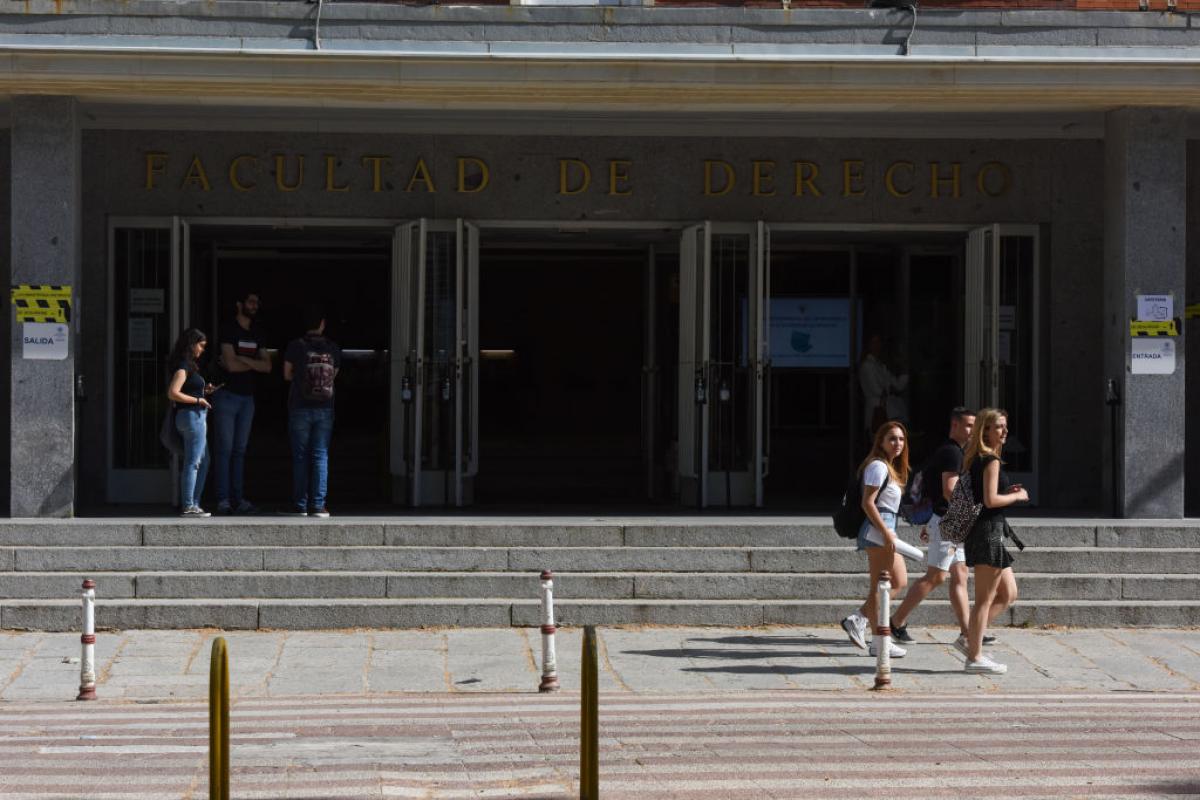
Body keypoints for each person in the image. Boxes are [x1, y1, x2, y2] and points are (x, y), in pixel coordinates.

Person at [889, 407, 992, 651]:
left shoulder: (953, 451)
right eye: (968, 425)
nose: (972, 430)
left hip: (949, 522)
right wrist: (976, 505)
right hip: (948, 523)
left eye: (974, 426)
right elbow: (949, 490)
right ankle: (895, 622)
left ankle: (968, 631)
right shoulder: (951, 453)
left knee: (960, 575)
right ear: (954, 425)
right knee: (936, 576)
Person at [961, 407, 1027, 675]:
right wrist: (1017, 496)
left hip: (989, 530)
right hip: (987, 532)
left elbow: (986, 495)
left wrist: (1005, 491)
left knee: (1008, 592)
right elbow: (989, 501)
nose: (1005, 431)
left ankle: (971, 641)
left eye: (1005, 426)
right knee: (984, 599)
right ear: (986, 430)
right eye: (999, 426)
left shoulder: (981, 458)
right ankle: (974, 656)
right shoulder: (989, 460)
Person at [840, 420, 911, 659]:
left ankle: (860, 621)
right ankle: (880, 639)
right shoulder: (878, 466)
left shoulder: (888, 467)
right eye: (892, 438)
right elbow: (867, 503)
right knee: (882, 586)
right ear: (880, 441)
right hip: (878, 529)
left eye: (901, 439)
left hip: (885, 528)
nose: (897, 443)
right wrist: (886, 532)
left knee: (896, 582)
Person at [213, 289, 271, 515]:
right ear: (240, 304)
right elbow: (230, 365)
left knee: (239, 450)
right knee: (225, 450)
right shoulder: (228, 330)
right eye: (251, 301)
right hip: (227, 396)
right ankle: (223, 499)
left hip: (248, 398)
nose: (254, 305)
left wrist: (241, 359)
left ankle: (238, 499)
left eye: (257, 302)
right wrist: (252, 361)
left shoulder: (258, 332)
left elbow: (267, 366)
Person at [282, 306, 341, 517]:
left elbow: (287, 375)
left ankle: (300, 505)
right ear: (322, 324)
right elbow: (333, 376)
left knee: (300, 456)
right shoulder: (332, 348)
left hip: (299, 406)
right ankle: (318, 505)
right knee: (320, 455)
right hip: (325, 408)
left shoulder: (295, 346)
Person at [166, 328, 217, 517]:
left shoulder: (188, 365)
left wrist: (203, 392)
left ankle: (193, 503)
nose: (202, 350)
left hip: (192, 415)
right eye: (201, 345)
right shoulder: (183, 366)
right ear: (192, 344)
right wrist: (198, 401)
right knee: (194, 461)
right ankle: (188, 505)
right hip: (192, 416)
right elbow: (173, 393)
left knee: (203, 461)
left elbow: (184, 390)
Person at [859, 333, 908, 436]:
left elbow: (898, 385)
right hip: (877, 412)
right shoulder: (867, 366)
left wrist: (904, 368)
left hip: (889, 411)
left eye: (878, 342)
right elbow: (877, 390)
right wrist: (890, 389)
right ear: (868, 345)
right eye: (874, 342)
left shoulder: (881, 365)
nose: (877, 346)